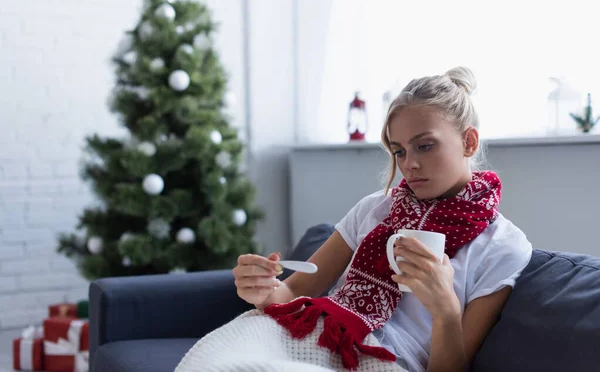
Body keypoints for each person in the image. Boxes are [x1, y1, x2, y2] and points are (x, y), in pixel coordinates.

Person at [175, 67, 532, 372]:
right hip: (315, 333)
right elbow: (296, 291)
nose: (410, 164)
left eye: (425, 146)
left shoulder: (503, 246)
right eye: (399, 151)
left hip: (382, 359)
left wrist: (445, 311)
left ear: (469, 142)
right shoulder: (375, 209)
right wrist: (264, 292)